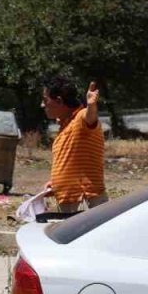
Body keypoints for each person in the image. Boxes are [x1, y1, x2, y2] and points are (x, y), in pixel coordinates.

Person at [41, 76, 107, 212]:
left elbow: (89, 117)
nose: (42, 105)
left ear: (59, 101)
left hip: (84, 201)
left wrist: (91, 106)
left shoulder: (80, 118)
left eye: (45, 100)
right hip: (70, 202)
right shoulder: (65, 126)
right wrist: (56, 184)